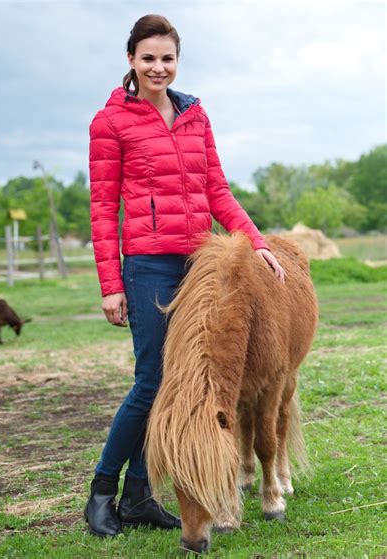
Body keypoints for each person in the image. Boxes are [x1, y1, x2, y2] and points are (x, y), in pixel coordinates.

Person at [85, 14, 285, 538]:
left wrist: (255, 243)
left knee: (185, 388)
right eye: (148, 57)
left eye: (167, 58)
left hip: (199, 265)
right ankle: (103, 490)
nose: (158, 67)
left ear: (178, 62)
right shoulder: (111, 122)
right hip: (148, 265)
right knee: (152, 382)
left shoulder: (195, 116)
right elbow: (104, 207)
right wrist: (111, 284)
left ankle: (139, 495)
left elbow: (216, 189)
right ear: (131, 60)